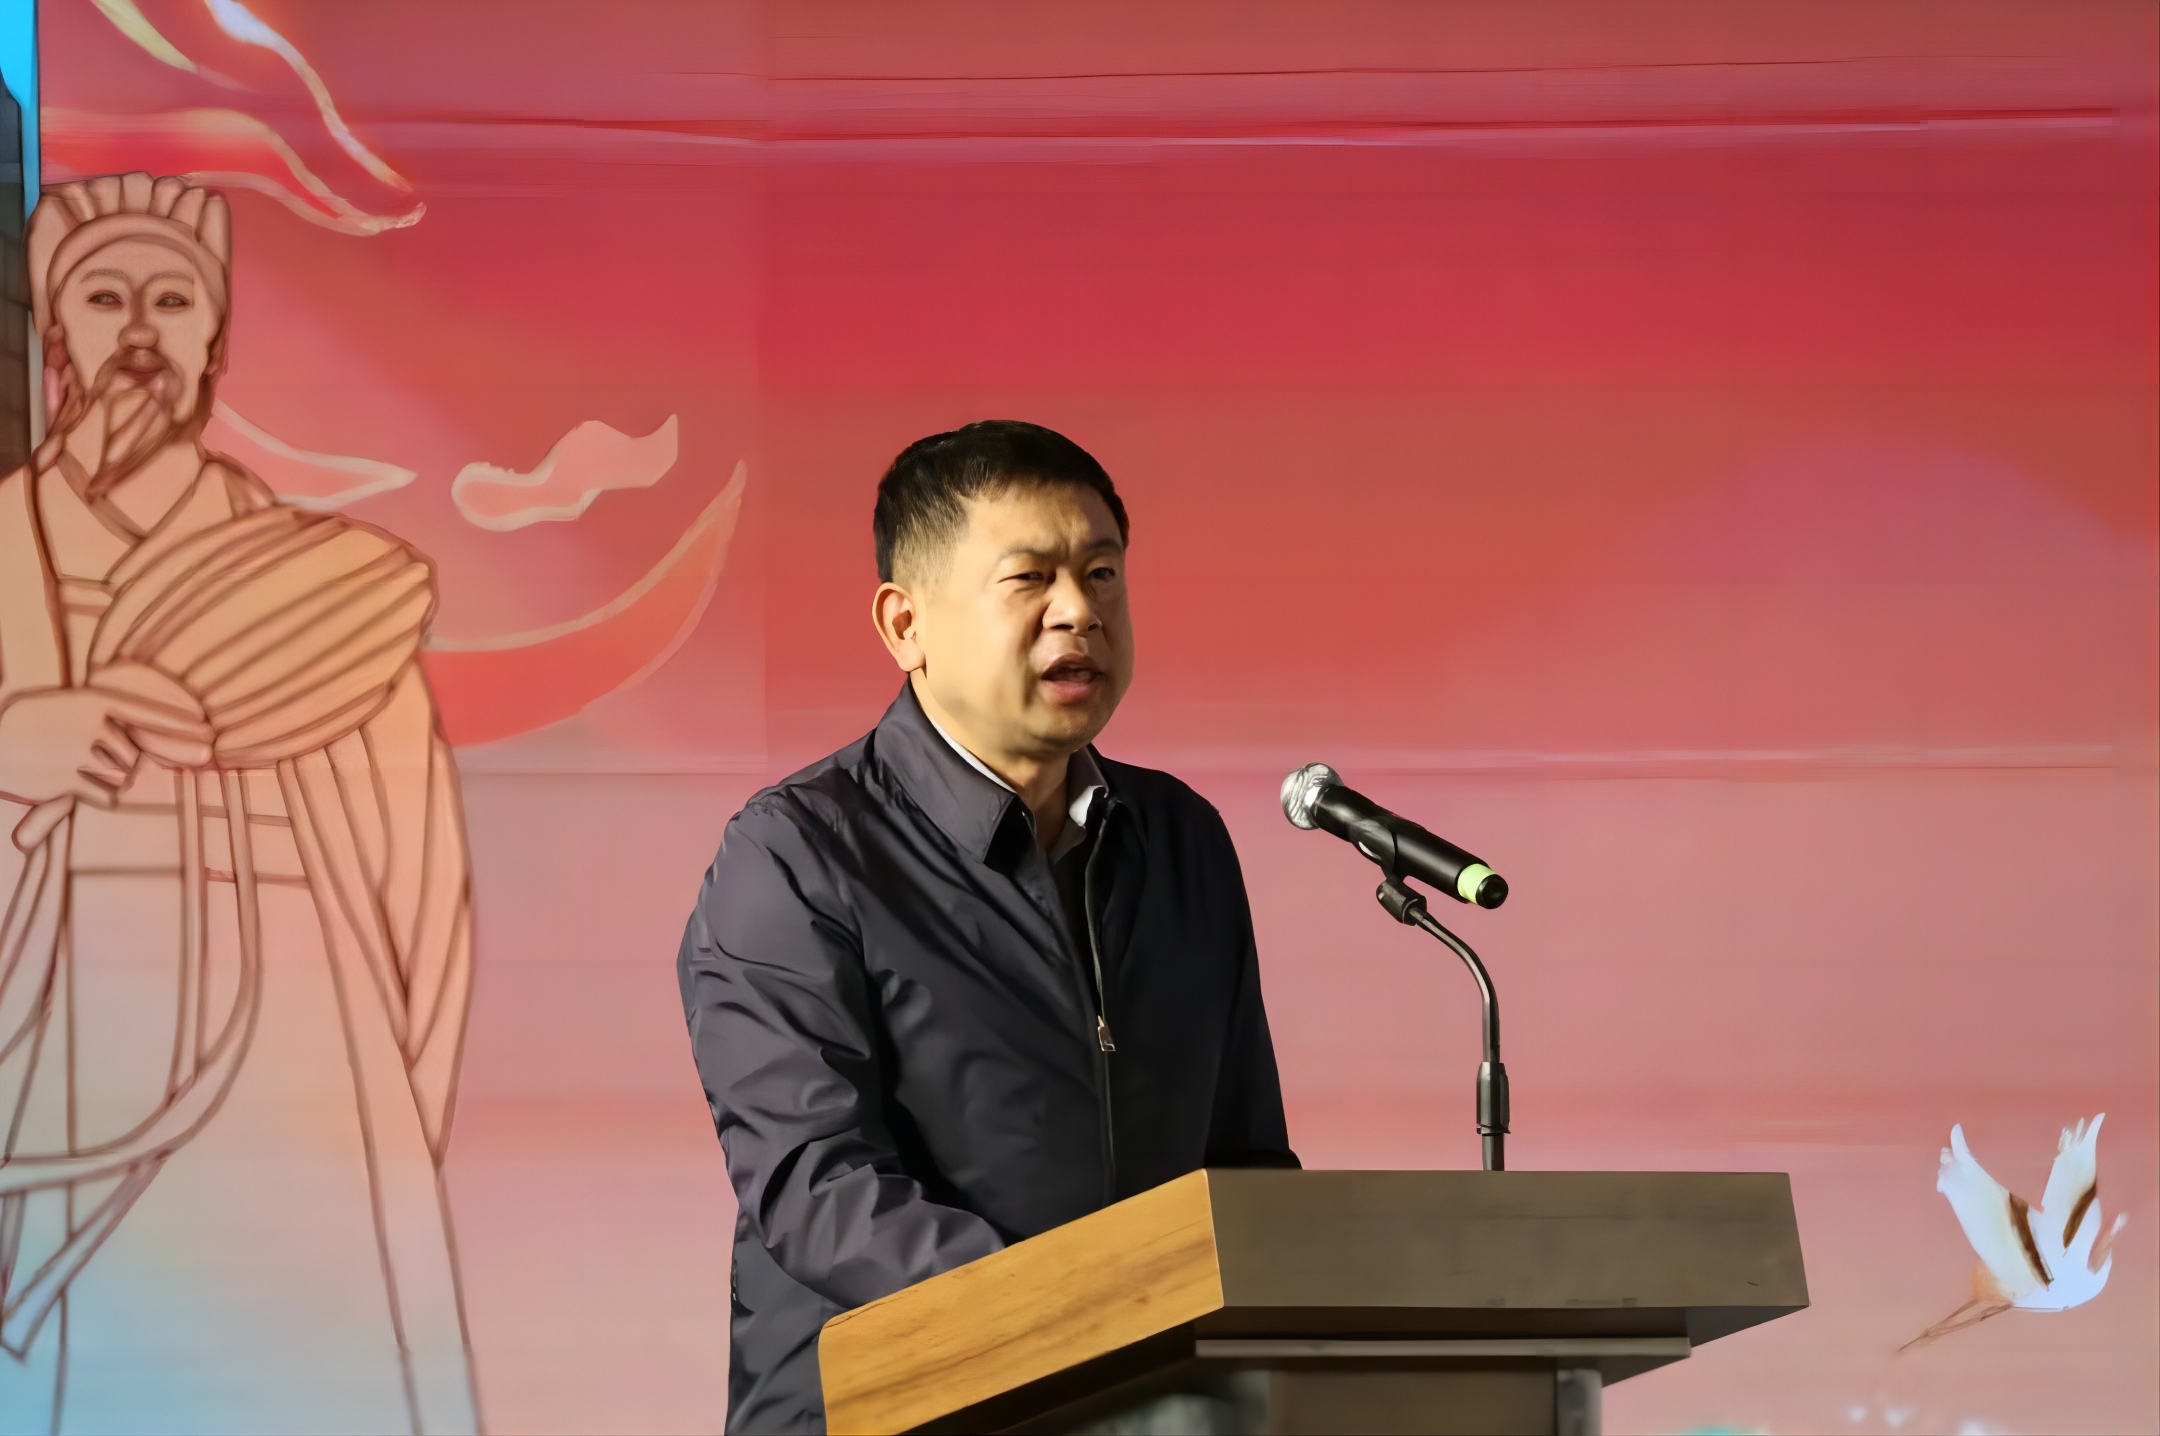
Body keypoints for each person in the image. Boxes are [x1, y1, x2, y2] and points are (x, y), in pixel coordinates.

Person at [677, 420, 1297, 1433]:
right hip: (892, 1409)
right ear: (905, 624)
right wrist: (1076, 1324)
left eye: (1102, 573)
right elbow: (817, 1187)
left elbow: (1244, 1169)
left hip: (1147, 1407)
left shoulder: (1181, 840)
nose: (1079, 610)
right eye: (1030, 579)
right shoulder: (798, 855)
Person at [0, 174, 476, 1435]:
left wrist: (390, 1095)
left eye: (172, 301)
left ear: (215, 341)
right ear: (58, 333)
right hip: (62, 1028)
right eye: (104, 299)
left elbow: (412, 867)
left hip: (292, 1034)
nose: (138, 332)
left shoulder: (306, 578)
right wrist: (12, 751)